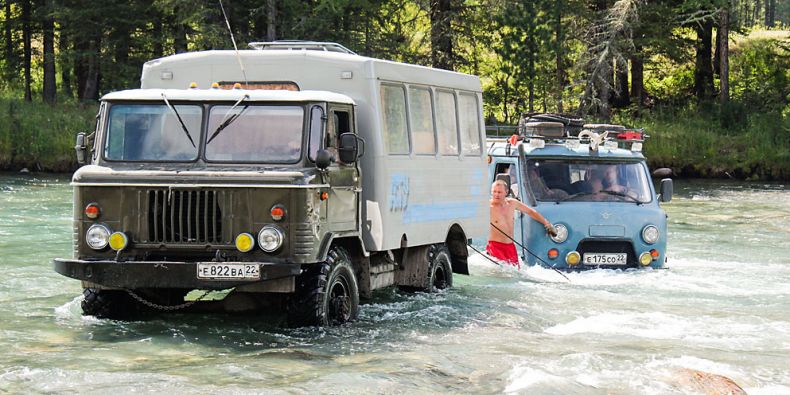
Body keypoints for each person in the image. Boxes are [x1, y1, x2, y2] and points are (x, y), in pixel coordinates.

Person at [487, 180, 556, 268]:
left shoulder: (512, 203)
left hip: (510, 246)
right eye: (494, 192)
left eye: (499, 192)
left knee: (516, 272)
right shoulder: (487, 206)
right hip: (495, 247)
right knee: (502, 273)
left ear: (506, 192)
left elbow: (531, 212)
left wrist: (547, 224)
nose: (496, 194)